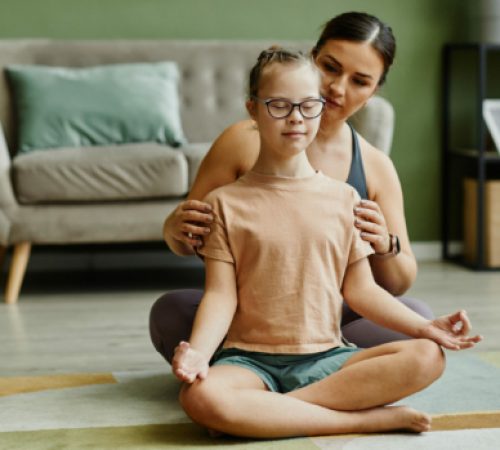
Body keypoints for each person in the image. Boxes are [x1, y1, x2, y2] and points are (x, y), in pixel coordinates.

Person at [172, 47, 481, 438]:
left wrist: (426, 327)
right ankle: (361, 420)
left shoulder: (346, 200)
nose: (296, 118)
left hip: (329, 357)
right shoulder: (224, 203)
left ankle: (267, 414)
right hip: (248, 362)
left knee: (426, 356)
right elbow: (221, 296)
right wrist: (199, 351)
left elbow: (362, 291)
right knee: (200, 398)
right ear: (253, 109)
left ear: (321, 107)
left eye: (308, 106)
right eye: (279, 105)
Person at [150, 11, 433, 363]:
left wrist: (385, 245)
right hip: (249, 314)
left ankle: (277, 375)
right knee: (171, 312)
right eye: (330, 67)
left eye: (360, 81)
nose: (337, 88)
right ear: (312, 59)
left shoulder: (376, 167)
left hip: (333, 316)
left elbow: (396, 285)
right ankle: (328, 375)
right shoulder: (241, 140)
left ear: (374, 90)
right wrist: (173, 229)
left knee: (418, 317)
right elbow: (189, 239)